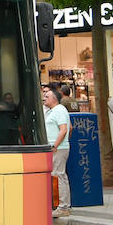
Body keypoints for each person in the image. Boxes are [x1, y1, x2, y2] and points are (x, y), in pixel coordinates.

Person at [43, 84, 71, 217]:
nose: (44, 98)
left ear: (54, 98)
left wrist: (56, 145)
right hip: (57, 147)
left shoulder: (59, 110)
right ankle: (59, 205)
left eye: (47, 96)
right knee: (58, 175)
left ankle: (63, 206)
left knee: (59, 175)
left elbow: (64, 129)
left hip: (58, 148)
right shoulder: (53, 110)